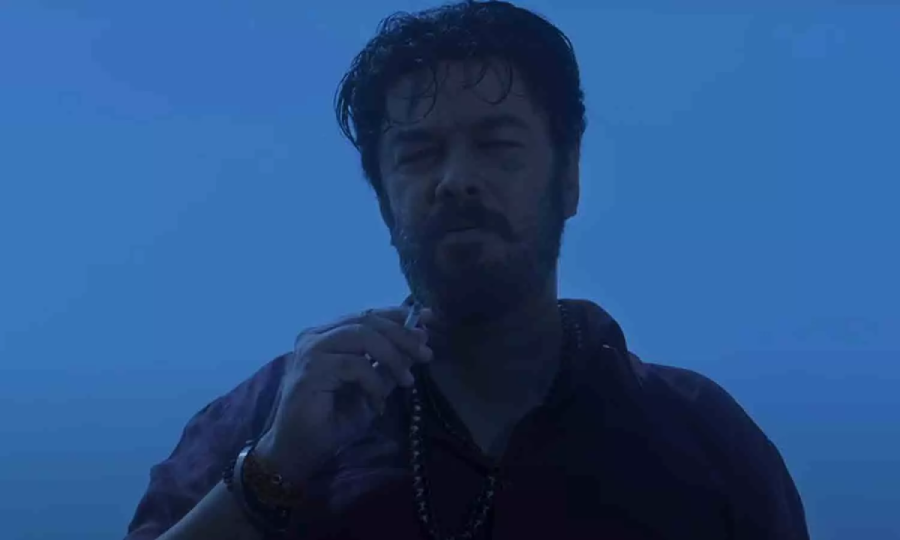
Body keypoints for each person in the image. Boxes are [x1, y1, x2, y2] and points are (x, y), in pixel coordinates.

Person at [124, 2, 810, 539]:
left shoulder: (699, 439)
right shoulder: (270, 417)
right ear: (384, 200)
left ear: (568, 177)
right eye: (419, 154)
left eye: (497, 145)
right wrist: (273, 471)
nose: (456, 179)